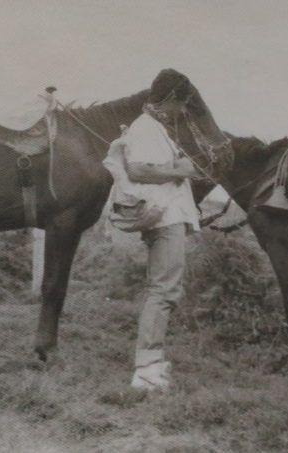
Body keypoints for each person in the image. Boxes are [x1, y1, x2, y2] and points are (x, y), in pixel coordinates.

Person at [103, 101, 201, 391]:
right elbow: (137, 169)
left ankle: (150, 364)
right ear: (169, 99)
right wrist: (180, 170)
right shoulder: (147, 126)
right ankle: (146, 369)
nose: (181, 111)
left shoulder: (153, 127)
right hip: (165, 217)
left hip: (167, 216)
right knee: (164, 289)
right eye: (180, 103)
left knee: (163, 287)